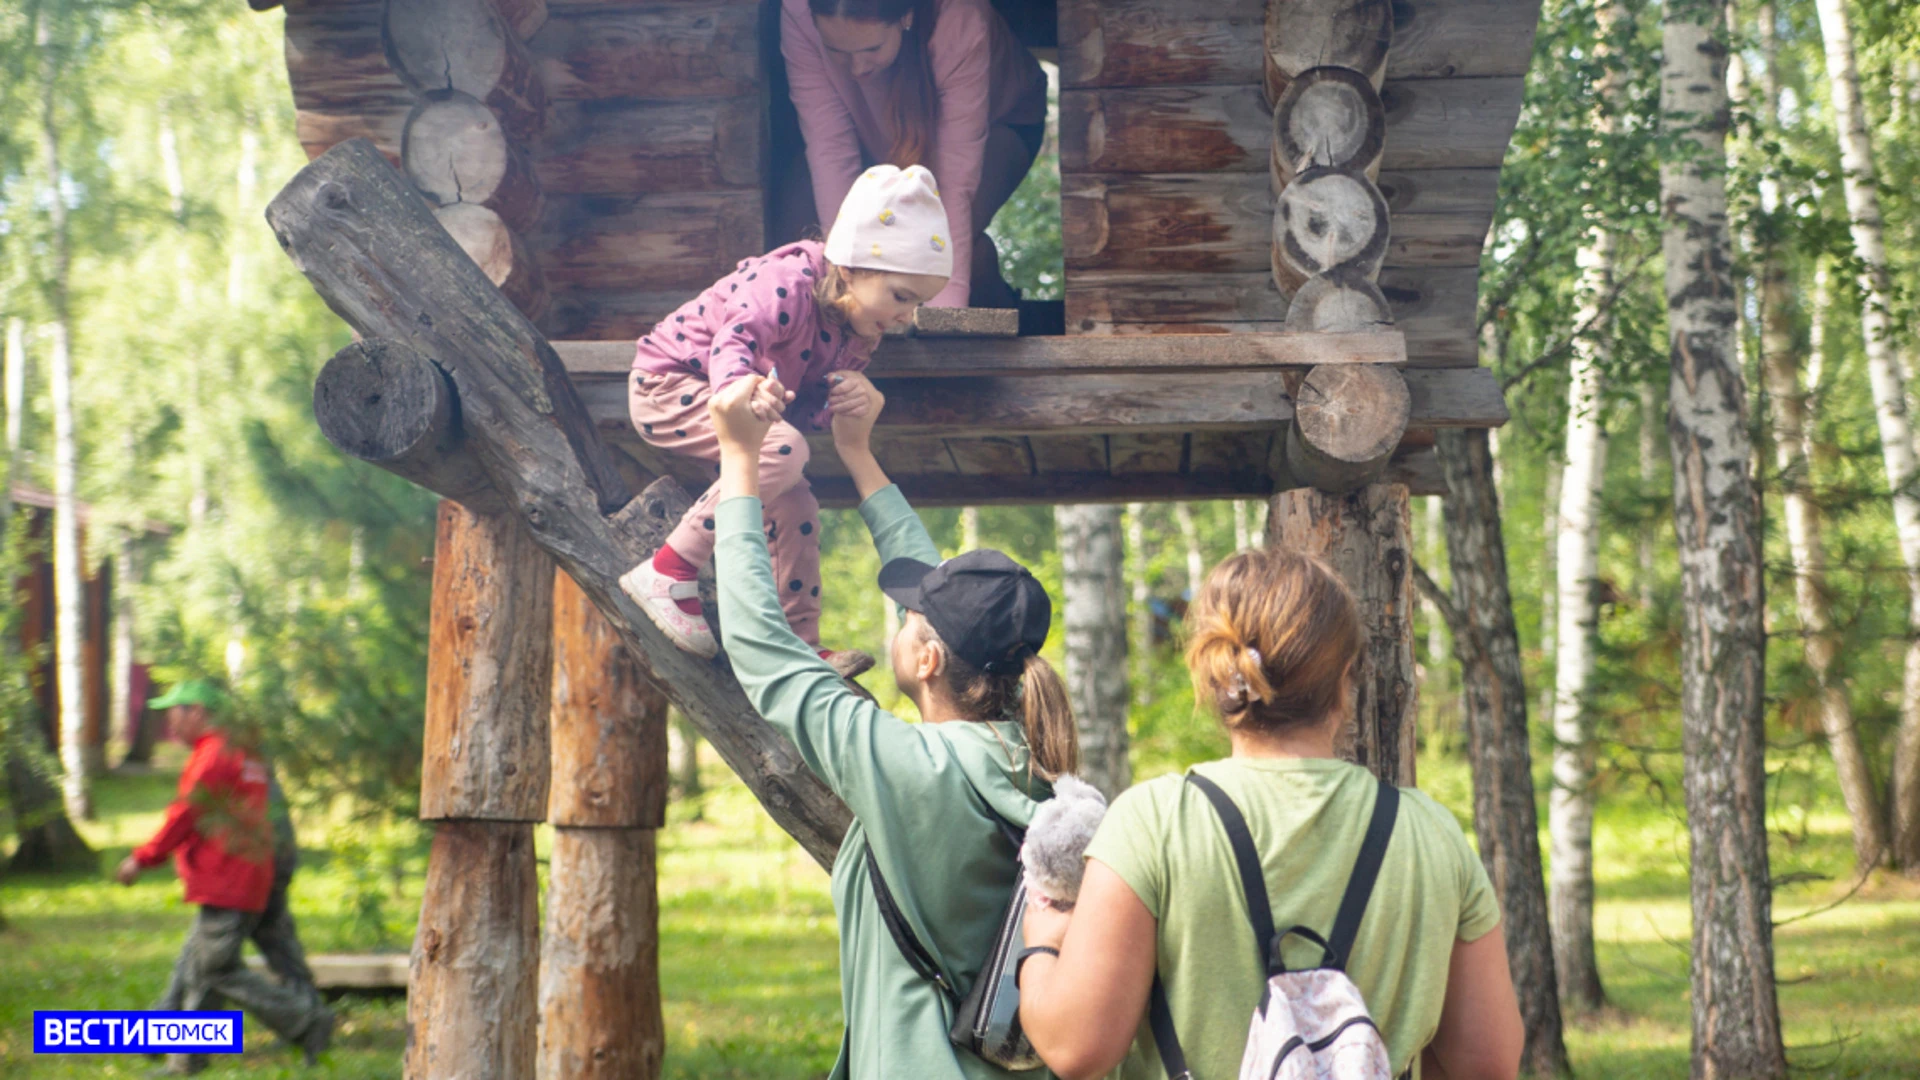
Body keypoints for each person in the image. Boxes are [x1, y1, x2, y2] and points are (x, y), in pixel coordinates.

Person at [1015, 551, 1524, 1080]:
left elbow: (1076, 1048)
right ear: (1346, 677)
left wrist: (1043, 943)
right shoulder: (1431, 834)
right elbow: (1488, 1064)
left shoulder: (1152, 822)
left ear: (1212, 671)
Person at [705, 367, 1079, 1079]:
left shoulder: (903, 766)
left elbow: (760, 642)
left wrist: (738, 459)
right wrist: (858, 451)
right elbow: (947, 591)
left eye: (911, 617)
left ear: (930, 658)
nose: (903, 621)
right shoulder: (1037, 766)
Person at [619, 163, 952, 671]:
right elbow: (736, 338)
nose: (907, 315)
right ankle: (668, 569)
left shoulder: (863, 329)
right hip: (669, 385)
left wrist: (842, 406)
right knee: (785, 450)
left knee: (797, 500)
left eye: (918, 302)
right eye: (901, 296)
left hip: (743, 416)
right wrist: (741, 390)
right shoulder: (787, 281)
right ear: (851, 268)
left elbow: (804, 411)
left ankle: (801, 642)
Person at [116, 679, 333, 1074]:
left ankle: (307, 1021)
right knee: (198, 964)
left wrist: (142, 859)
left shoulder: (214, 754)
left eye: (175, 715)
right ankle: (182, 1055)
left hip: (227, 877)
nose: (171, 726)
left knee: (215, 968)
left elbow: (187, 813)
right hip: (248, 873)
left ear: (197, 711)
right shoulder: (244, 752)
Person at [778, 0, 1048, 309]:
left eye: (871, 49)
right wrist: (844, 288)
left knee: (925, 247)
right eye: (837, 51)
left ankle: (985, 284)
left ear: (905, 16)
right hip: (877, 134)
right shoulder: (798, 11)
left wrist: (945, 316)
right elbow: (831, 149)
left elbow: (954, 182)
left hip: (999, 125)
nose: (857, 68)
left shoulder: (960, 19)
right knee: (808, 236)